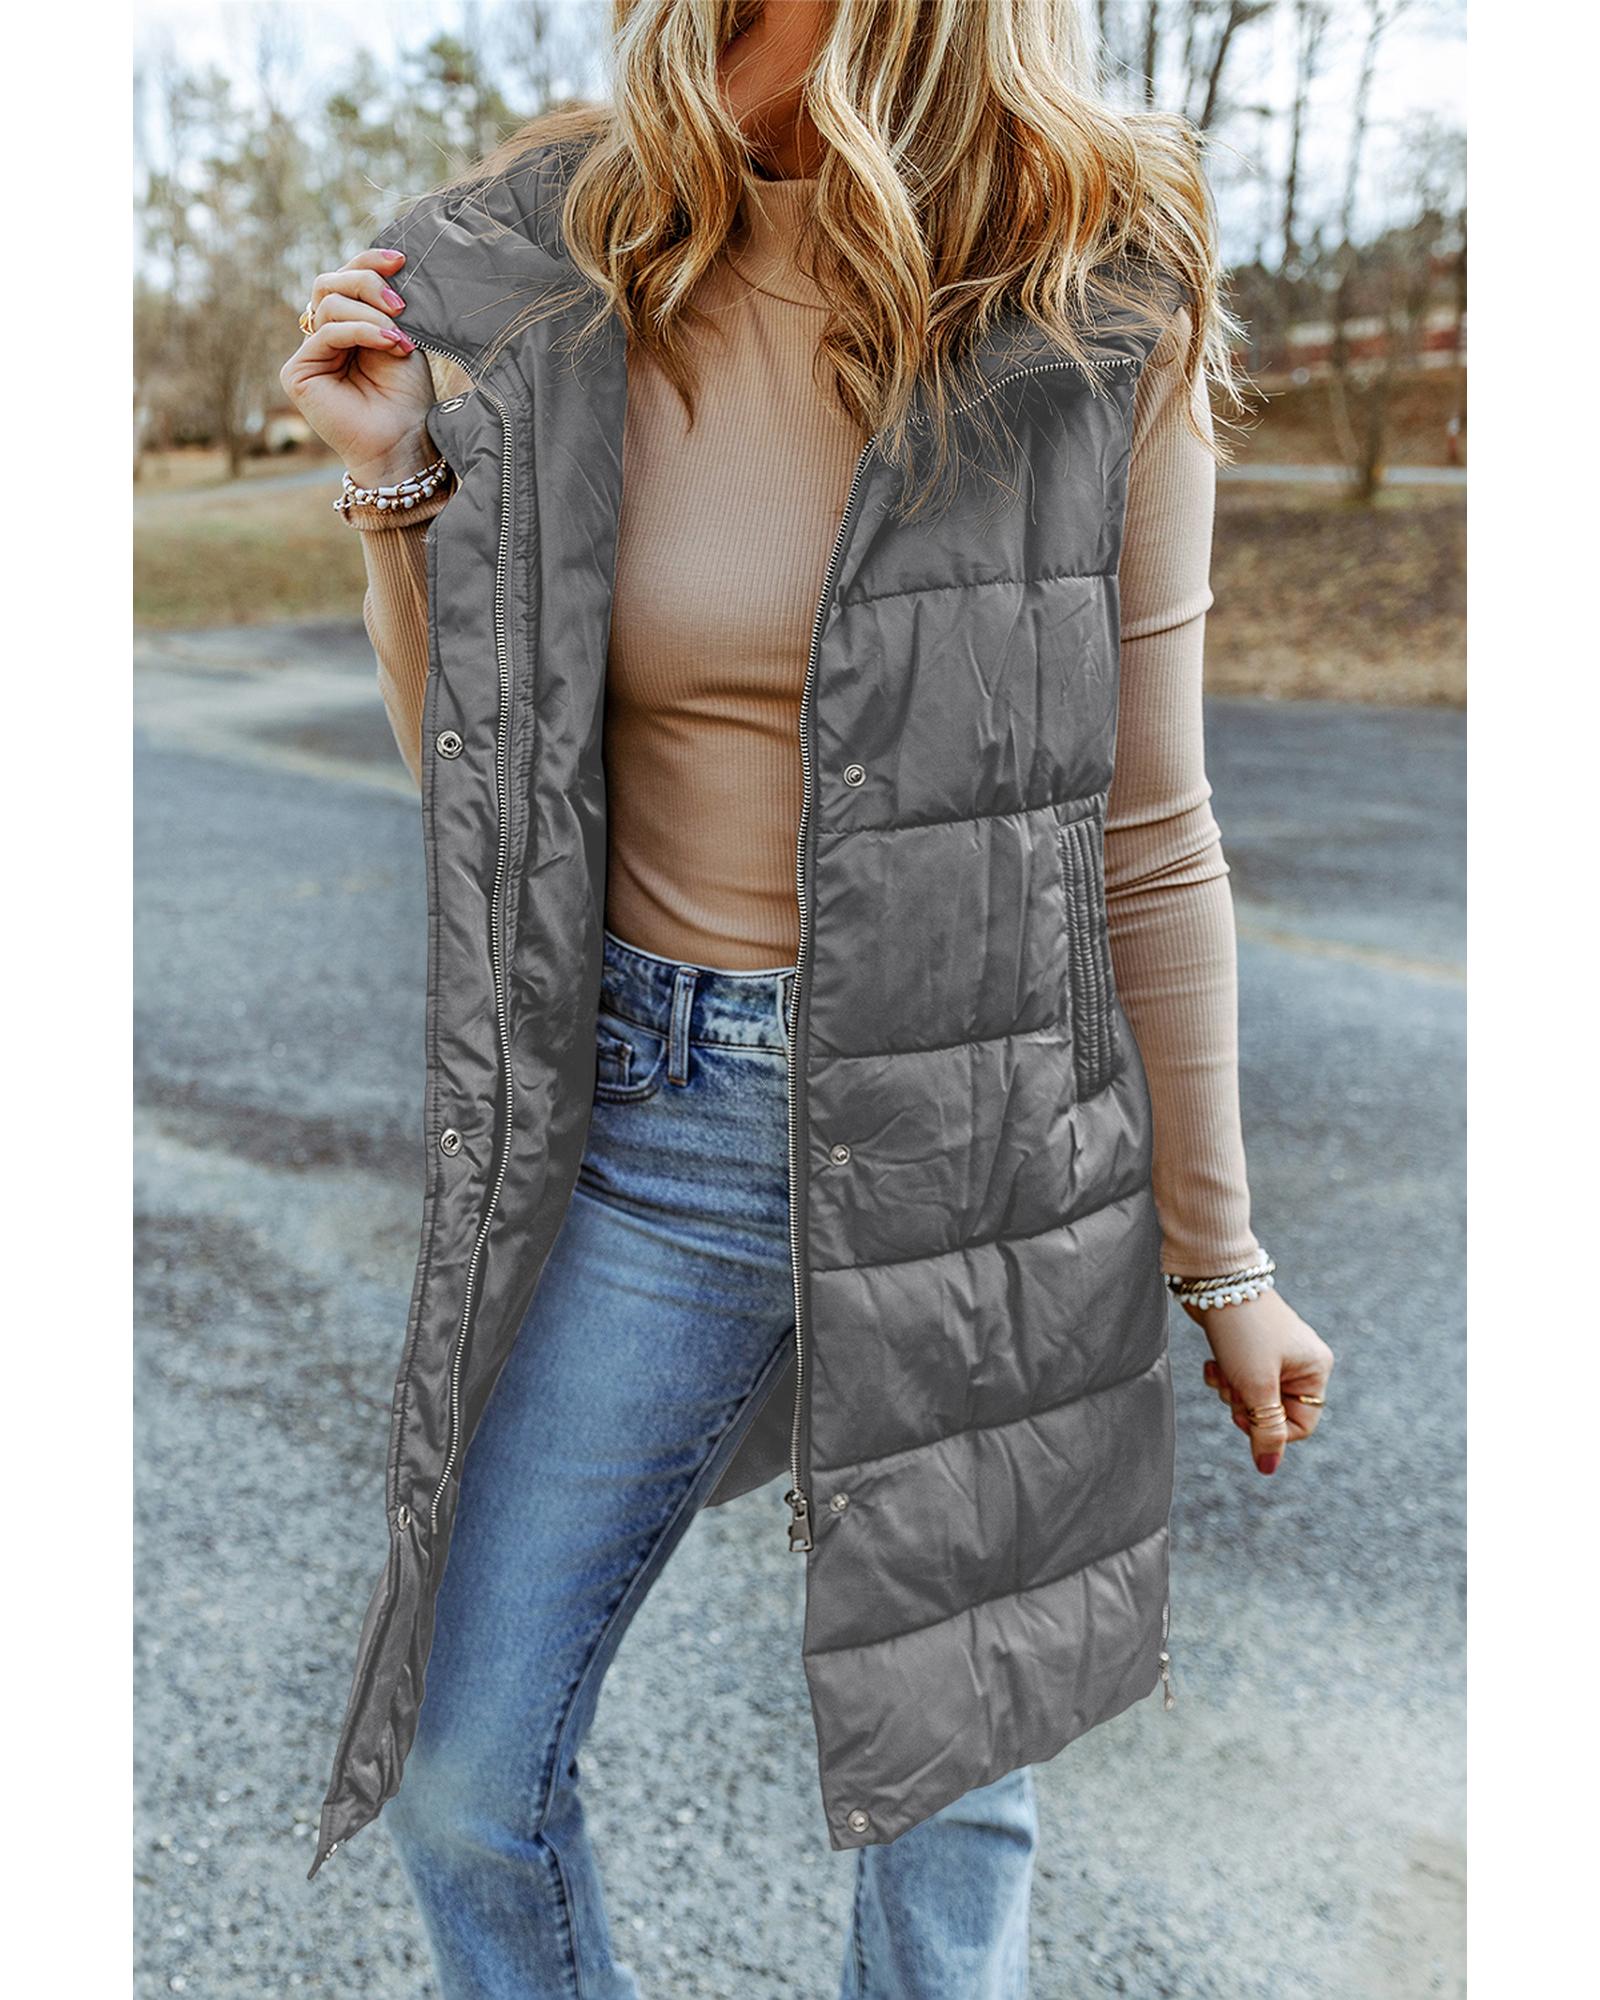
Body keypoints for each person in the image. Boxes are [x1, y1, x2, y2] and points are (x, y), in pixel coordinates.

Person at [282, 3, 1335, 1994]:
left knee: (952, 1808)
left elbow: (1148, 829)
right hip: (653, 1118)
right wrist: (399, 482)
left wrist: (1224, 1263)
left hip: (978, 1149)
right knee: (459, 1774)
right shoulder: (579, 260)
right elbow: (486, 795)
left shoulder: (1096, 289)